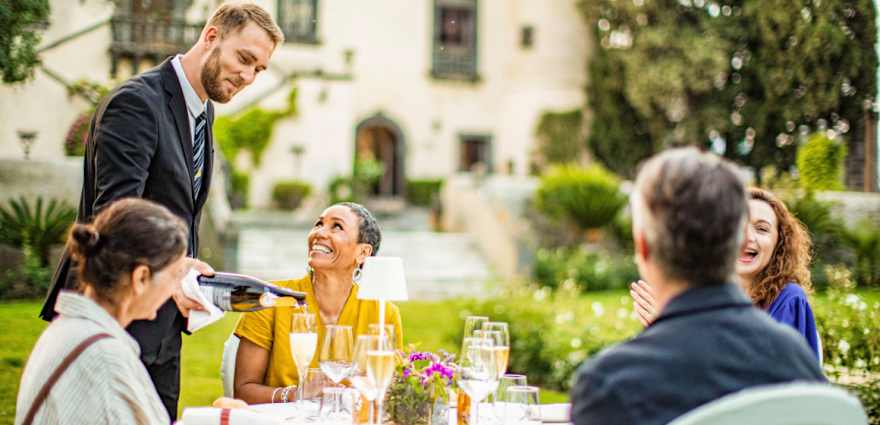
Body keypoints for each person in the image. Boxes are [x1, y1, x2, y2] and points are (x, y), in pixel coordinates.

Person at [38, 4, 284, 419]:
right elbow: (115, 217)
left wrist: (191, 280)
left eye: (259, 69)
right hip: (113, 315)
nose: (248, 76)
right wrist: (176, 269)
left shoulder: (202, 112)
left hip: (164, 320)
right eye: (244, 59)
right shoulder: (136, 103)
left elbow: (179, 212)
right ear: (211, 36)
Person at [570, 148, 826, 425]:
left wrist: (669, 330)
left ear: (643, 248)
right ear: (737, 243)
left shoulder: (609, 385)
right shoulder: (796, 360)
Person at [16, 198, 190, 425]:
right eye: (175, 275)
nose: (176, 287)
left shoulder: (72, 330)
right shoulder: (103, 358)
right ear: (141, 278)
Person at [233, 202, 404, 404]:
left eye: (337, 226)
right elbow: (243, 391)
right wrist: (296, 394)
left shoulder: (383, 314)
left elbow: (390, 391)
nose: (320, 233)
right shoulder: (272, 299)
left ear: (363, 253)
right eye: (319, 224)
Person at [630, 187, 820, 359]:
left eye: (762, 229)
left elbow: (764, 374)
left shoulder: (788, 299)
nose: (747, 237)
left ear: (779, 243)